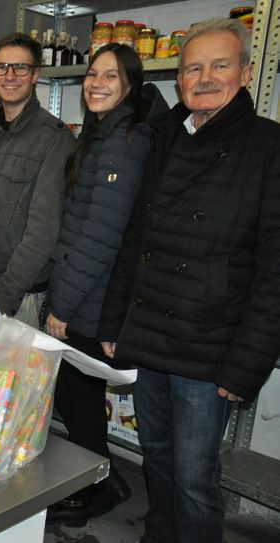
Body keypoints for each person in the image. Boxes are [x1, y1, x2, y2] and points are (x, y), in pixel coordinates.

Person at [98, 18, 280, 543]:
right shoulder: (163, 139)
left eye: (219, 65)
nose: (204, 78)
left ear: (245, 73)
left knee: (196, 475)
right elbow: (135, 240)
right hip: (152, 333)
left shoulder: (269, 148)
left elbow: (274, 276)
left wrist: (245, 366)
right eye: (192, 68)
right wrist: (116, 321)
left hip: (209, 349)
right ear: (178, 80)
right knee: (157, 458)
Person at [43, 43, 167, 526]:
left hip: (89, 300)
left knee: (80, 398)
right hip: (85, 295)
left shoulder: (124, 141)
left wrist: (63, 306)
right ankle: (99, 482)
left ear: (130, 84)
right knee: (79, 397)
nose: (96, 83)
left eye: (110, 77)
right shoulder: (101, 135)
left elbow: (100, 235)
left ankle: (96, 488)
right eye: (92, 74)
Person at [0, 33, 74, 327]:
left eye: (20, 68)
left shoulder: (54, 138)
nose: (10, 76)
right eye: (1, 67)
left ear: (36, 74)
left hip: (16, 297)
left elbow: (42, 232)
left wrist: (3, 300)